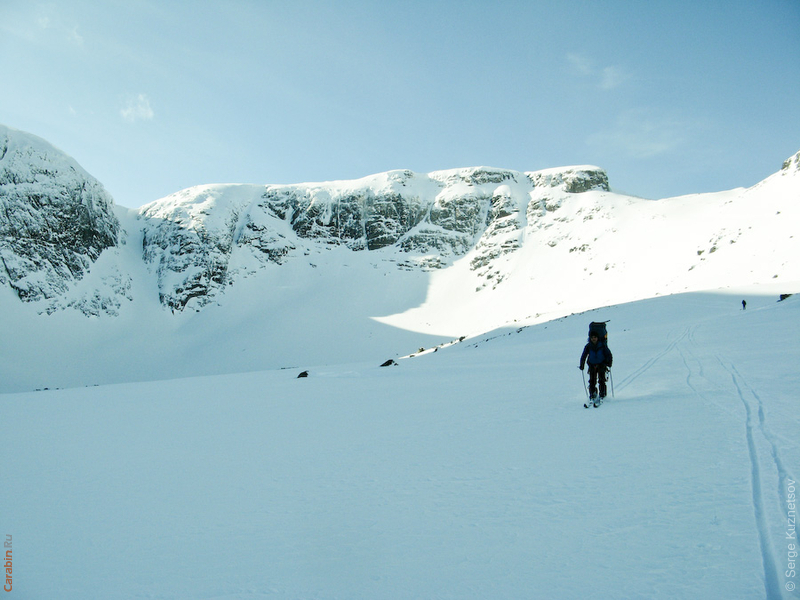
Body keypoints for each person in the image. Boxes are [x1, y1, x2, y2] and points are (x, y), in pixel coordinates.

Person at [579, 332, 613, 400]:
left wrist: (609, 363)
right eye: (592, 337)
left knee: (602, 380)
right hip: (592, 365)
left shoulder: (602, 345)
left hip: (601, 365)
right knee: (592, 381)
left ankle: (602, 394)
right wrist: (582, 365)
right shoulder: (588, 346)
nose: (593, 339)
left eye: (595, 337)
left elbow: (608, 354)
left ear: (597, 338)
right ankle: (593, 394)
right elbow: (584, 356)